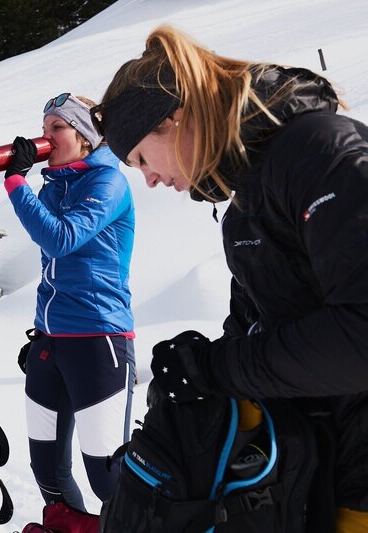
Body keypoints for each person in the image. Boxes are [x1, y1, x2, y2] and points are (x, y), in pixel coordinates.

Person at [92, 25, 368, 532]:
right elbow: (261, 334)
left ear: (173, 118)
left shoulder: (322, 153)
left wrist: (217, 368)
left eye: (141, 159)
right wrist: (197, 375)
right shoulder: (245, 202)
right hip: (315, 475)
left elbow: (359, 338)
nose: (149, 179)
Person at [3, 93, 136, 528]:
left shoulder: (108, 183)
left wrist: (16, 184)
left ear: (83, 136)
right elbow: (54, 266)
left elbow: (60, 239)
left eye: (55, 129)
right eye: (43, 130)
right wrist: (43, 331)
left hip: (99, 339)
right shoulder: (54, 185)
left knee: (107, 477)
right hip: (51, 343)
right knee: (49, 476)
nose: (45, 138)